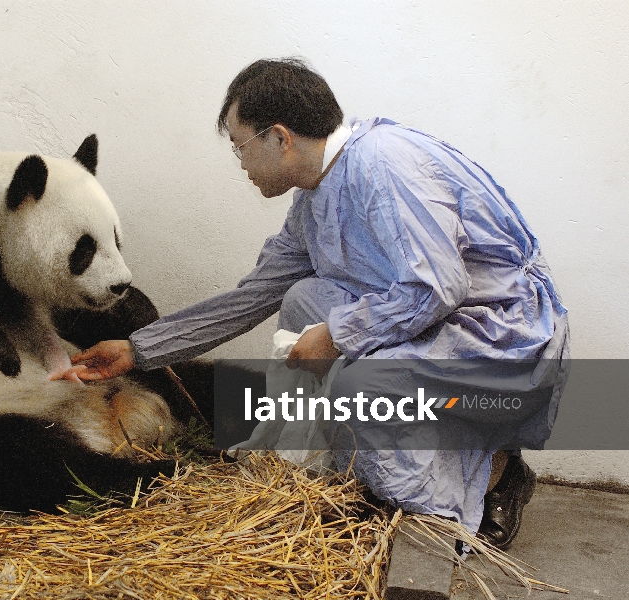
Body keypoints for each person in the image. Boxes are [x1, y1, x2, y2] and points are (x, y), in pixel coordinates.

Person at [59, 58, 569, 550]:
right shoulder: (315, 193)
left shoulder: (384, 165)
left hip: (499, 332)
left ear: (280, 138)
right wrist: (139, 349)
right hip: (439, 323)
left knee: (357, 385)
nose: (241, 165)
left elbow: (437, 287)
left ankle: (490, 474)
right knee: (305, 300)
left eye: (240, 147)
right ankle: (373, 469)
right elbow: (254, 294)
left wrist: (338, 335)